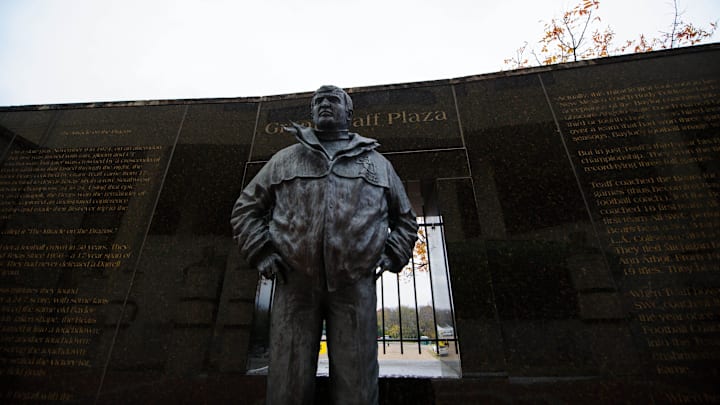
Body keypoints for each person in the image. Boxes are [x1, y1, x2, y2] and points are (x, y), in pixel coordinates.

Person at [231, 85, 418, 405]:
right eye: (318, 101)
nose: (324, 104)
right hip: (294, 284)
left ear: (349, 112)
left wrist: (390, 254)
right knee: (287, 384)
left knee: (357, 385)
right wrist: (261, 250)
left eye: (332, 100)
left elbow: (406, 221)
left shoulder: (378, 164)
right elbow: (245, 209)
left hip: (354, 286)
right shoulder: (284, 160)